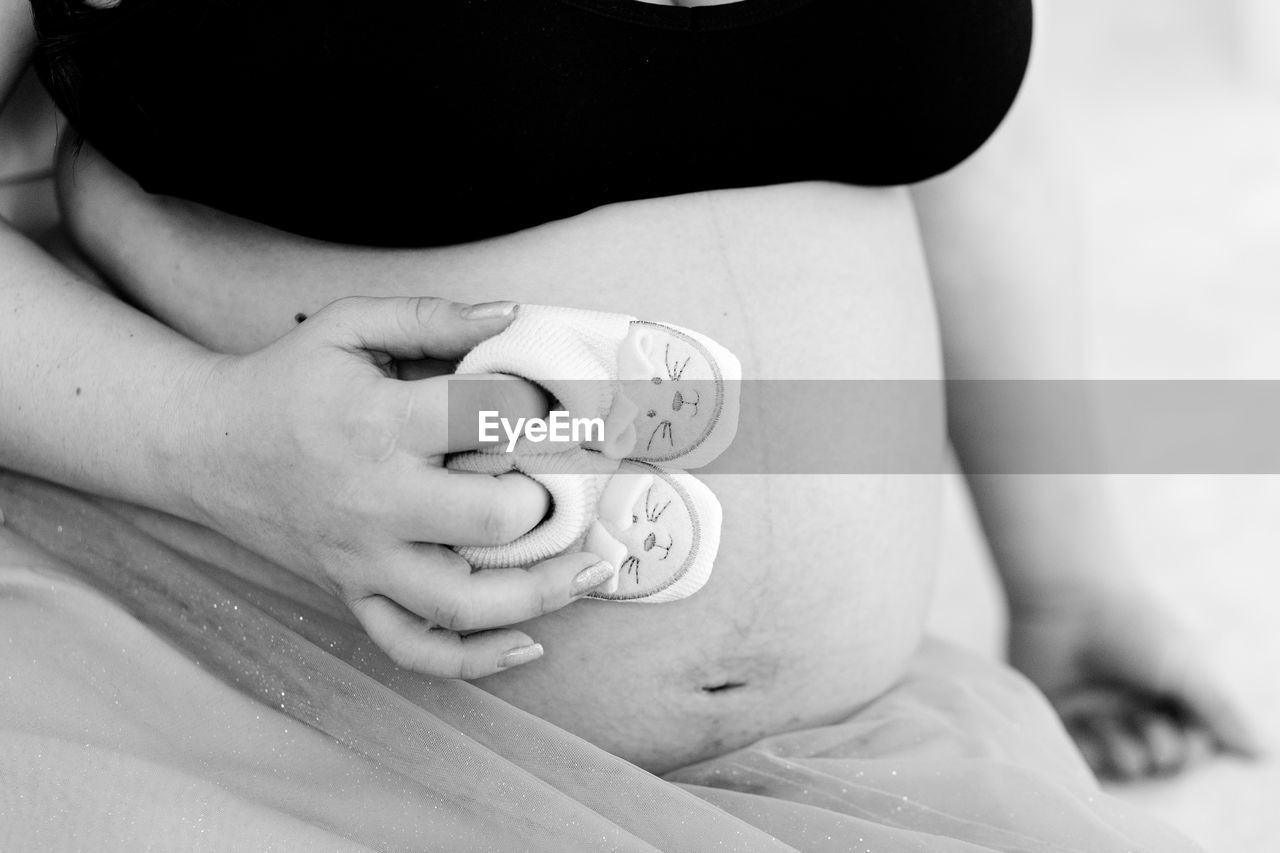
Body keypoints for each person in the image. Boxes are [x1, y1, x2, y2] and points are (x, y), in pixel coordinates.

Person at [0, 0, 1256, 848]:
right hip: (237, 702)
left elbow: (966, 130)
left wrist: (1069, 578)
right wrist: (212, 440)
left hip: (846, 761)